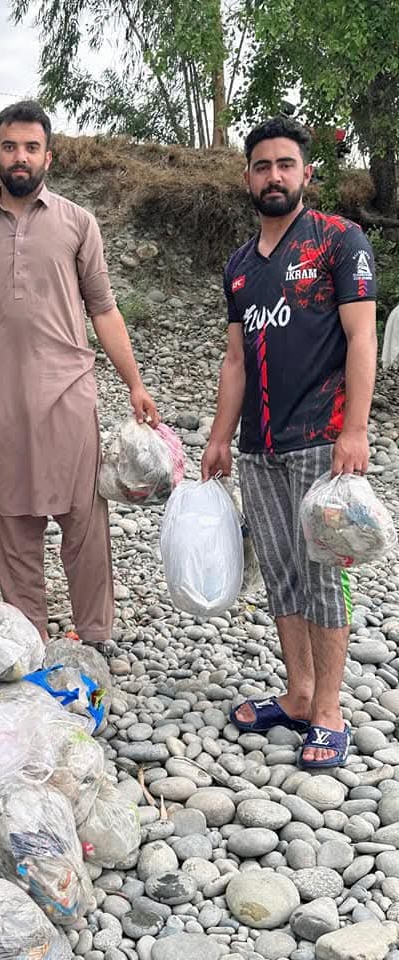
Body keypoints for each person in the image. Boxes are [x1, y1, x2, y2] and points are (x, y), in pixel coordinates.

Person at [0, 100, 158, 651]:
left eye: (31, 147)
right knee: (11, 522)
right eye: (10, 147)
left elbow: (103, 308)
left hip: (69, 397)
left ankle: (94, 636)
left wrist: (135, 382)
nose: (20, 157)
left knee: (83, 522)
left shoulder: (78, 222)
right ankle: (27, 640)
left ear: (48, 155)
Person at [202, 117, 377, 768]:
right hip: (259, 448)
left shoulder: (339, 242)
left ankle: (329, 712)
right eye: (261, 165)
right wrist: (221, 437)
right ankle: (299, 695)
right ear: (247, 177)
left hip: (321, 441)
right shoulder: (241, 267)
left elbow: (363, 338)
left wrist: (354, 430)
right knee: (281, 576)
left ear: (306, 173)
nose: (273, 175)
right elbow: (235, 361)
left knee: (325, 576)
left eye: (285, 164)